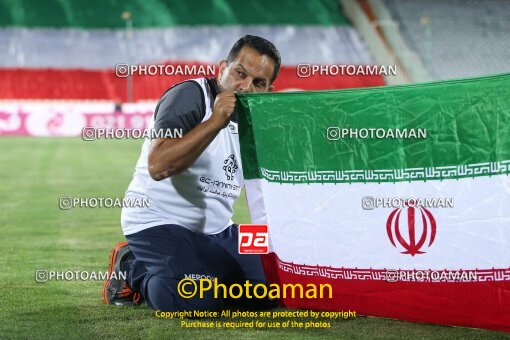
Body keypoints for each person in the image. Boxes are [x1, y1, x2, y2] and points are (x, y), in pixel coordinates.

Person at [103, 35, 281, 311]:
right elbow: (159, 166)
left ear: (269, 91)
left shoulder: (258, 122)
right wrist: (215, 122)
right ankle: (132, 267)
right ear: (223, 68)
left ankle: (206, 270)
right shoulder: (190, 95)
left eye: (258, 83)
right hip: (158, 221)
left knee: (278, 284)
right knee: (198, 298)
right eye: (239, 73)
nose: (245, 87)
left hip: (219, 229)